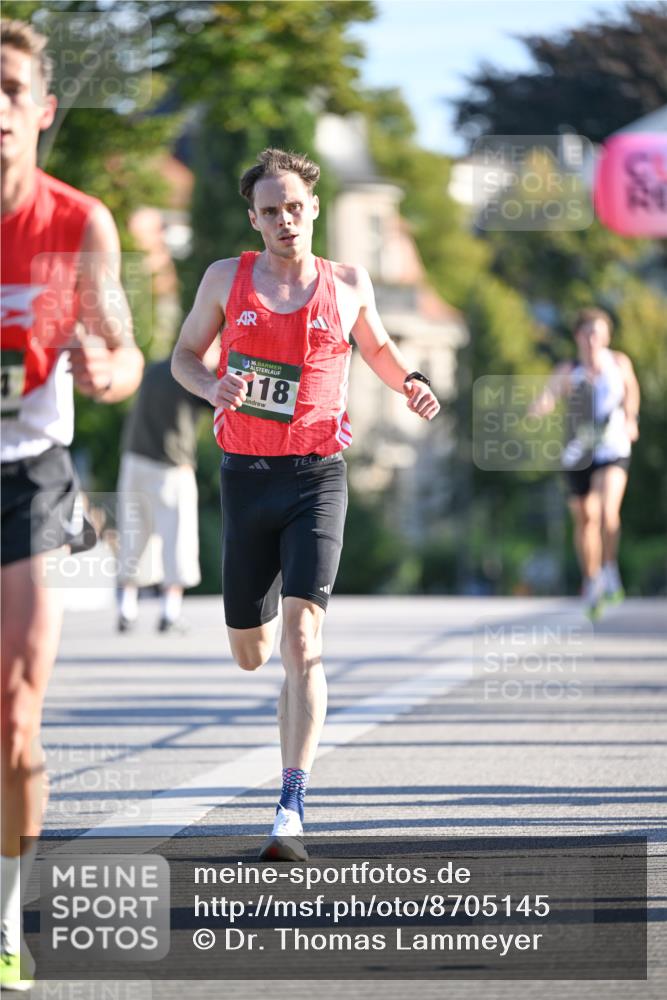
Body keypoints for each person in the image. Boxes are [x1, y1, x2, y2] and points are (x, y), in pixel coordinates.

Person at [171, 147, 440, 861]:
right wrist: (210, 386)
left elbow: (379, 348)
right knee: (252, 653)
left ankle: (290, 805)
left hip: (318, 477)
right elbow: (184, 357)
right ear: (253, 219)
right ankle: (259, 664)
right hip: (245, 476)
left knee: (302, 645)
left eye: (295, 207)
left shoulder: (347, 283)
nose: (285, 220)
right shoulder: (226, 279)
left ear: (313, 208)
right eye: (270, 211)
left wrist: (408, 381)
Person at [1, 19, 143, 991]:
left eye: (9, 89)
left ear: (42, 111)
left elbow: (127, 352)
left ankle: (6, 914)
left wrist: (108, 367)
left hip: (25, 474)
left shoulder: (78, 221)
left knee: (14, 719)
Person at [532, 307, 640, 618]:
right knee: (585, 519)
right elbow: (550, 395)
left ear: (606, 337)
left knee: (608, 513)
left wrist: (631, 418)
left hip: (613, 447)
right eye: (588, 333)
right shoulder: (569, 370)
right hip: (579, 452)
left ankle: (609, 569)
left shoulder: (619, 363)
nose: (593, 339)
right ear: (578, 336)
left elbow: (631, 392)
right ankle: (591, 579)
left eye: (599, 334)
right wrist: (539, 407)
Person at [115, 343, 216, 634]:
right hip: (172, 466)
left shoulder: (155, 369)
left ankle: (127, 608)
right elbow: (216, 404)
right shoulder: (193, 375)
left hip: (134, 459)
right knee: (178, 541)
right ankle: (169, 613)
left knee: (133, 535)